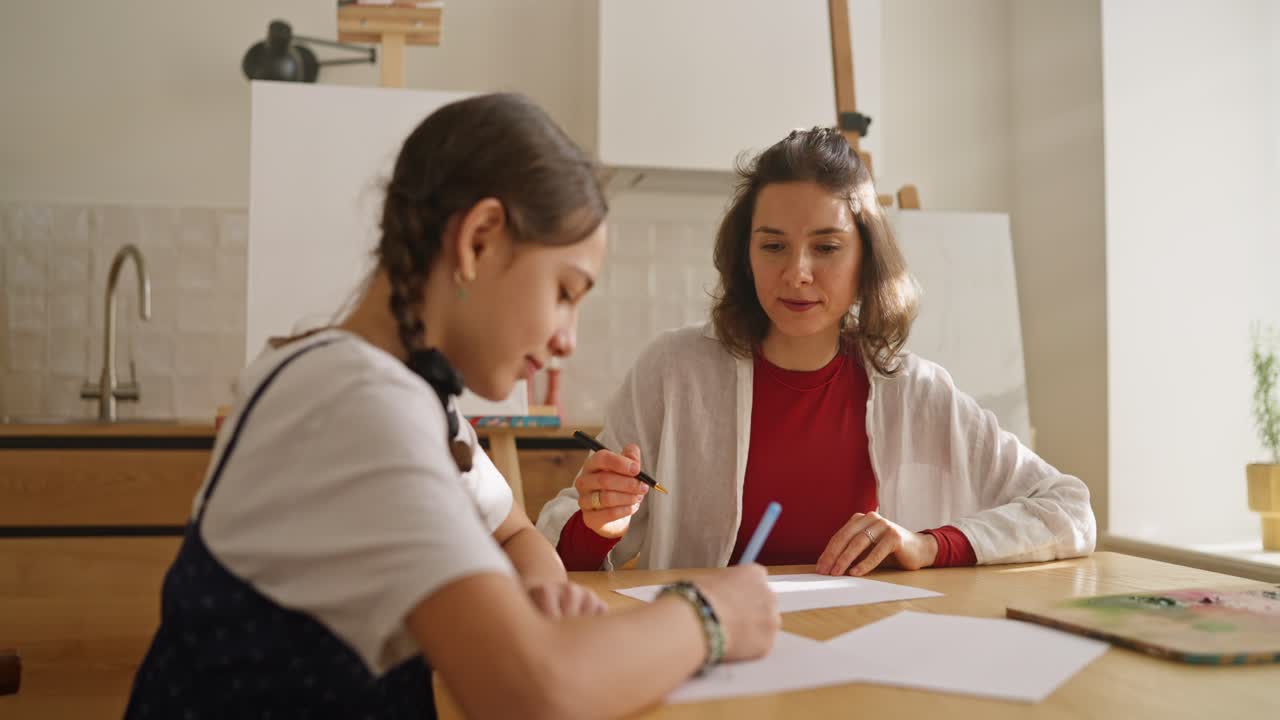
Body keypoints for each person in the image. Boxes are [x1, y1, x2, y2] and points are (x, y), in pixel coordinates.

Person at [124, 93, 778, 720]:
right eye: (564, 291)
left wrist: (529, 592)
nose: (567, 339)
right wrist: (707, 614)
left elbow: (514, 531)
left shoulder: (399, 398)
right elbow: (533, 691)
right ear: (479, 239)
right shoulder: (352, 406)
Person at [538, 127, 1096, 576]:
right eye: (773, 245)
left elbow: (1069, 510)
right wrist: (598, 523)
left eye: (826, 247)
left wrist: (930, 545)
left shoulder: (917, 389)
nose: (796, 273)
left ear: (866, 260)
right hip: (708, 660)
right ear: (745, 256)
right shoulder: (672, 372)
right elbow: (558, 552)